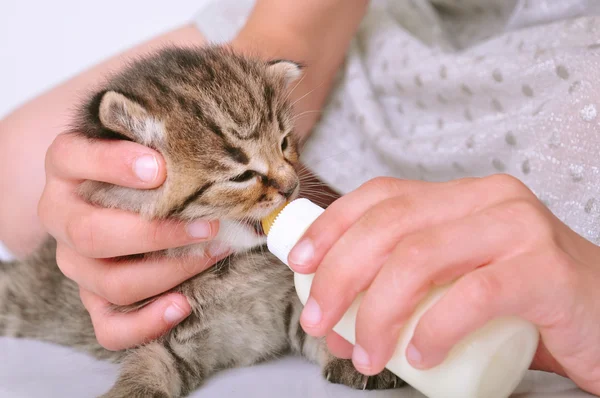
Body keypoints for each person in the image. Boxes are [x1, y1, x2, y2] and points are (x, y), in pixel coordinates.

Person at [1, 0, 599, 396]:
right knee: (18, 175)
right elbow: (283, 41)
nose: (288, 181)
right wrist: (249, 68)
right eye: (251, 173)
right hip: (391, 35)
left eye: (285, 149)